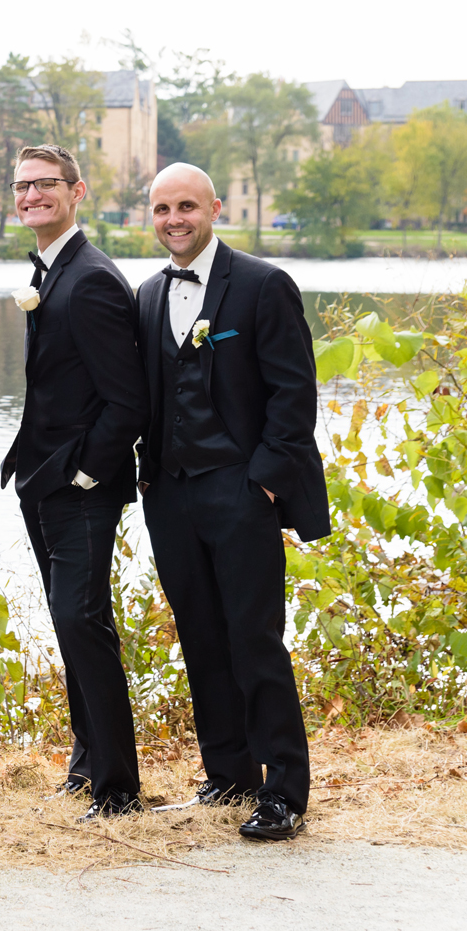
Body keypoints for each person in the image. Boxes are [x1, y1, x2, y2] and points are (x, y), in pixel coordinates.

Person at [136, 163, 329, 842]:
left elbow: (293, 395)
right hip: (171, 495)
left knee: (254, 639)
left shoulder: (262, 285)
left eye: (186, 205)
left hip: (240, 490)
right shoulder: (146, 294)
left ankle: (284, 789)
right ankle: (228, 770)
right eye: (161, 208)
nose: (174, 219)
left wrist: (265, 484)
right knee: (201, 634)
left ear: (213, 207)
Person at [0, 145, 147, 819]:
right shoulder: (53, 272)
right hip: (44, 477)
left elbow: (127, 400)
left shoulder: (88, 278)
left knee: (82, 619)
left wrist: (88, 471)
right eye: (23, 185)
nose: (32, 194)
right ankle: (88, 763)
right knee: (72, 623)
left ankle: (118, 787)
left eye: (45, 184)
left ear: (76, 190)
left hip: (80, 484)